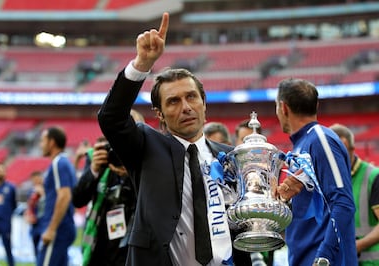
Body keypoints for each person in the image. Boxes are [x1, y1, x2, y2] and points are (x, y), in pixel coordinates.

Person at [98, 12, 252, 266]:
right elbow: (111, 118)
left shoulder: (231, 157)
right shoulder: (146, 146)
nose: (186, 107)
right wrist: (141, 65)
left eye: (191, 97)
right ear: (159, 114)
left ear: (204, 103)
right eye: (173, 101)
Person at [274, 78, 358, 265]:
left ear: (283, 108)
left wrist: (324, 256)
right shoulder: (302, 146)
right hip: (304, 257)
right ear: (316, 105)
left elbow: (343, 203)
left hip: (322, 259)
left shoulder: (320, 139)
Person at [72, 135, 137, 266]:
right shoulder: (100, 162)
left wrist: (132, 174)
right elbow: (78, 199)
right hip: (100, 245)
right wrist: (94, 170)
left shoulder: (143, 164)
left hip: (130, 246)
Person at [330, 123, 379, 265]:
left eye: (343, 151)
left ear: (352, 149)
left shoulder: (373, 176)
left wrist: (356, 246)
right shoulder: (328, 178)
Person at [37, 126, 77, 266]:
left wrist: (51, 229)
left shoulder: (58, 163)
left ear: (52, 142)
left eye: (42, 140)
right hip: (63, 227)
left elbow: (64, 196)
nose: (40, 145)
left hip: (57, 230)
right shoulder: (65, 163)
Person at [24, 170, 45, 259]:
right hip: (34, 223)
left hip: (44, 222)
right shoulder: (30, 192)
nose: (36, 181)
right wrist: (28, 216)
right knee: (35, 245)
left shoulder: (47, 190)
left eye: (38, 179)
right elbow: (29, 206)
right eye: (34, 179)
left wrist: (42, 194)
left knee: (44, 246)